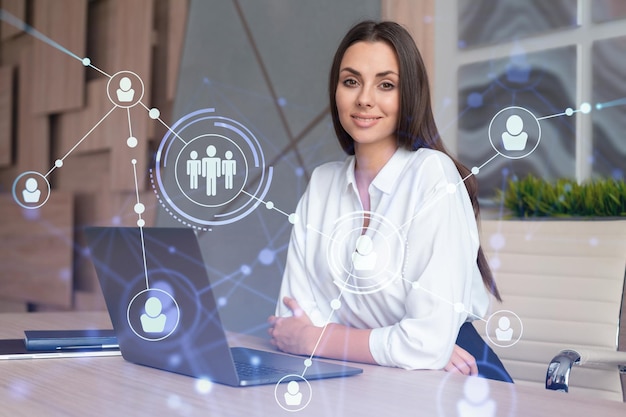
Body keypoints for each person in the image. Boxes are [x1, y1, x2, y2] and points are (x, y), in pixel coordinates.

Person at [268, 20, 512, 382]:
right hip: (371, 376)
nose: (365, 98)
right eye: (351, 81)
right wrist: (401, 347)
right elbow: (292, 323)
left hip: (458, 379)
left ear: (409, 94)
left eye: (386, 84)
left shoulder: (433, 176)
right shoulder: (322, 184)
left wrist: (316, 339)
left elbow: (426, 345)